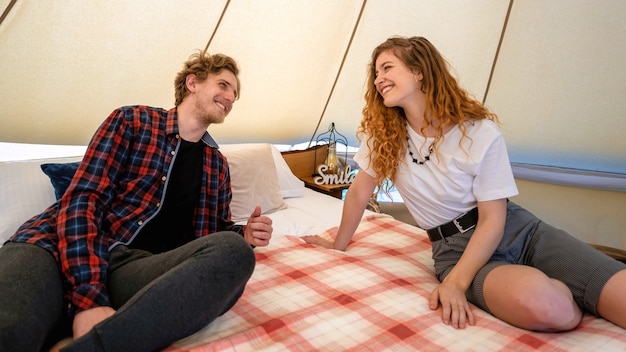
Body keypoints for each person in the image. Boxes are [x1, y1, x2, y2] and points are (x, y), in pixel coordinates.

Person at [303, 36, 626, 332]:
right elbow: (359, 192)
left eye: (387, 67)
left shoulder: (478, 132)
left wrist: (456, 286)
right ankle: (570, 290)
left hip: (520, 231)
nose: (378, 79)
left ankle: (577, 283)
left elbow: (493, 218)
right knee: (555, 312)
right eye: (375, 73)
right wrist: (338, 245)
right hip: (454, 248)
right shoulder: (383, 138)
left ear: (419, 72)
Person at [0, 50, 273, 351]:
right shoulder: (132, 121)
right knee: (11, 331)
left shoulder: (216, 164)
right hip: (54, 246)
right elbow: (82, 200)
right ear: (193, 82)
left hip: (131, 269)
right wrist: (89, 297)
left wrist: (243, 234)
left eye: (235, 93)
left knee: (235, 254)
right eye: (224, 85)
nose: (231, 97)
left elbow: (212, 232)